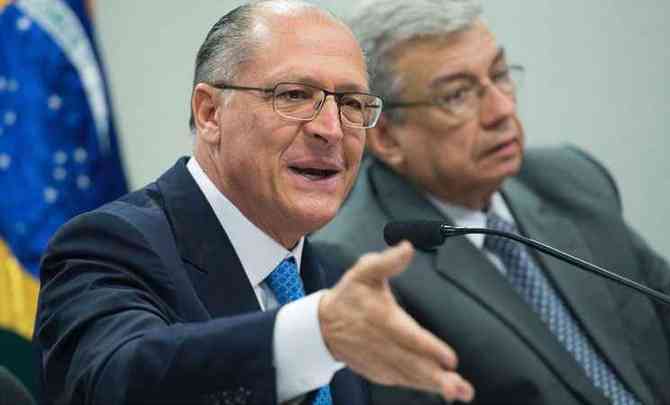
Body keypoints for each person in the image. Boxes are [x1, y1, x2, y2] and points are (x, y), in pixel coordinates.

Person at [33, 1, 476, 404]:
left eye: (352, 103)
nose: (332, 129)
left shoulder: (338, 274)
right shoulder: (109, 245)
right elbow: (116, 380)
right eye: (294, 95)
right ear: (210, 113)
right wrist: (310, 335)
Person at [311, 1, 670, 404]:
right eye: (457, 95)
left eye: (500, 75)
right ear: (387, 138)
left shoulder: (574, 181)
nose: (501, 110)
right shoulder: (360, 265)